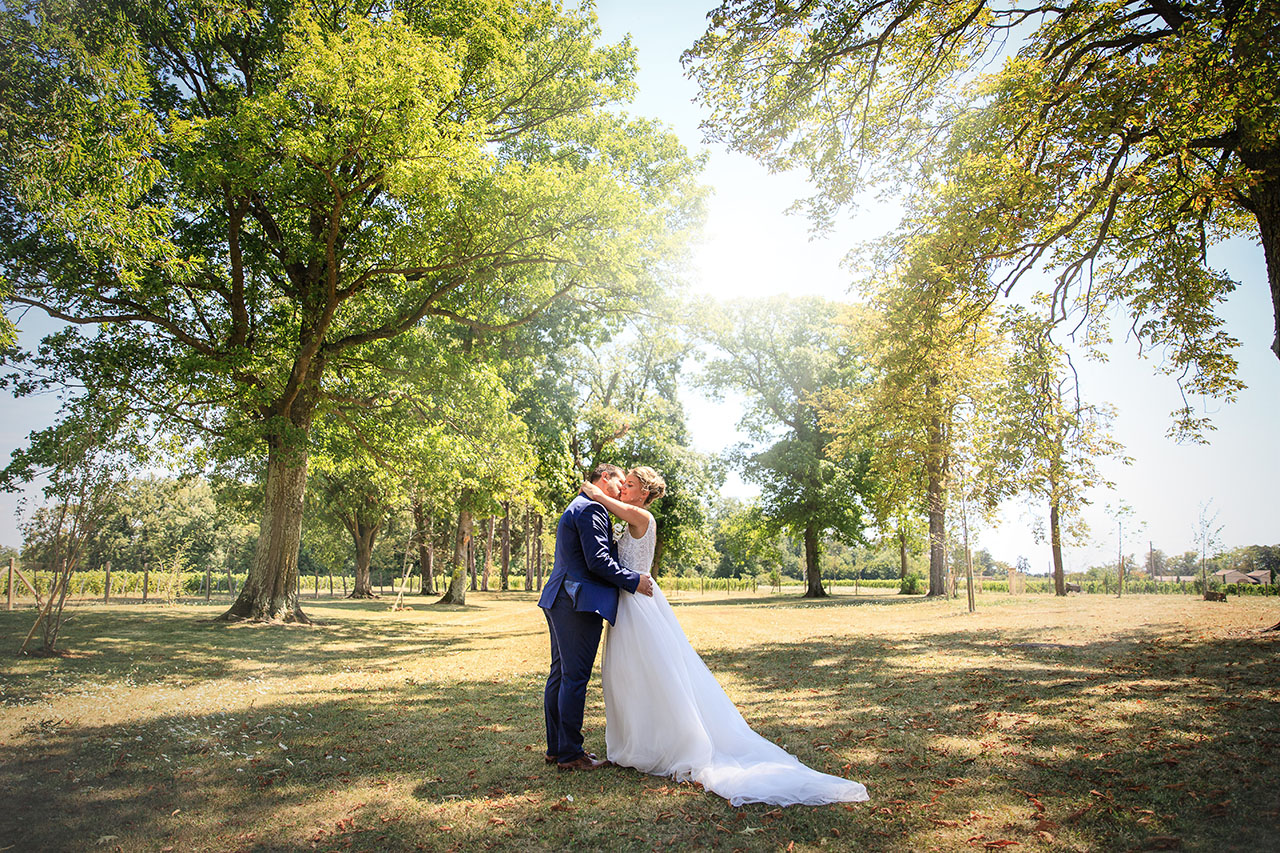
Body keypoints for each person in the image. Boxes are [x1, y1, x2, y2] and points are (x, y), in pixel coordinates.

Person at [581, 467, 870, 807]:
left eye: (629, 485)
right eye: (624, 485)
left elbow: (599, 496)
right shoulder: (629, 515)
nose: (623, 490)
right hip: (628, 601)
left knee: (652, 673)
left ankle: (668, 744)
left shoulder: (641, 515)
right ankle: (635, 742)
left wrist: (593, 488)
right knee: (628, 675)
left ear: (643, 494)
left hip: (639, 604)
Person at [538, 463, 655, 771]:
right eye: (620, 482)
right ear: (606, 478)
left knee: (561, 675)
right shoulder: (592, 509)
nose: (621, 489)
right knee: (574, 678)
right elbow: (598, 561)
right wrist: (633, 581)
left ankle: (557, 747)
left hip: (561, 598)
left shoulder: (582, 504)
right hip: (578, 601)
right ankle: (570, 754)